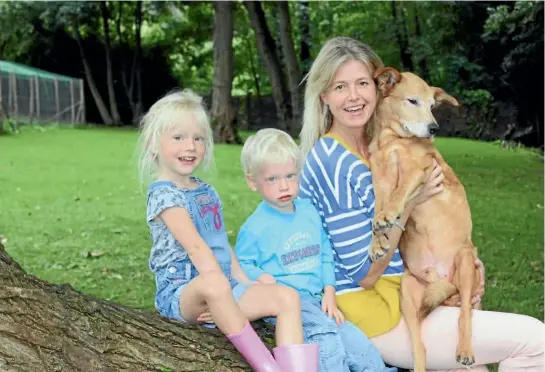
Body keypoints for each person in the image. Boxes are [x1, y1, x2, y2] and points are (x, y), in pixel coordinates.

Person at [298, 36, 545, 371]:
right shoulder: (332, 159)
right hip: (372, 311)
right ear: (324, 95)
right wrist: (411, 200)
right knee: (534, 339)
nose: (354, 96)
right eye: (340, 87)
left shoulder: (374, 150)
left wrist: (459, 272)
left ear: (379, 88)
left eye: (361, 84)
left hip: (408, 293)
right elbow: (363, 273)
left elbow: (419, 235)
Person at [137, 89, 318, 372]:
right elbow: (196, 248)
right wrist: (220, 291)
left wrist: (246, 283)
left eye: (198, 138)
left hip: (224, 292)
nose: (191, 146)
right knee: (214, 282)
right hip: (184, 295)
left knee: (286, 297)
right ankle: (268, 367)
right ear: (153, 144)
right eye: (179, 137)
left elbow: (220, 244)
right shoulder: (164, 196)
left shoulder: (206, 191)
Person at [232, 128, 396, 372]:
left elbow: (325, 253)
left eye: (290, 176)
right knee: (328, 348)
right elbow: (240, 265)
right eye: (272, 179)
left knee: (361, 349)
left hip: (318, 300)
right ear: (252, 181)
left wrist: (329, 290)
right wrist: (258, 277)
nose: (284, 186)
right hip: (291, 305)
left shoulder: (308, 211)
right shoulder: (255, 228)